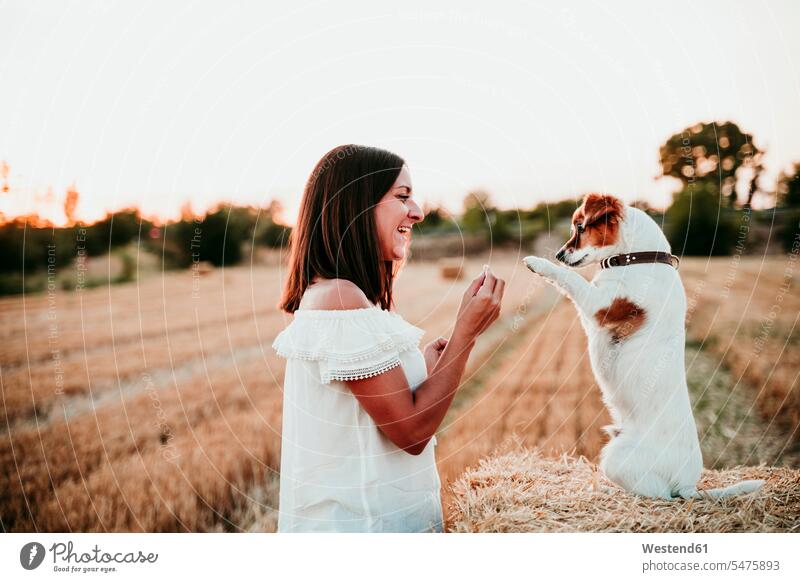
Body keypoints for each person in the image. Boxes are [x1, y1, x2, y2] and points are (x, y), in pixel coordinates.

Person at [273, 144, 505, 532]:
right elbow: (411, 432)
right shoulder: (339, 299)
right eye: (402, 197)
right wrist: (467, 331)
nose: (418, 211)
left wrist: (427, 371)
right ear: (357, 207)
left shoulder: (348, 299)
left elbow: (382, 415)